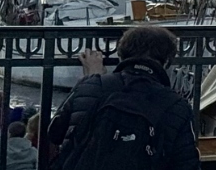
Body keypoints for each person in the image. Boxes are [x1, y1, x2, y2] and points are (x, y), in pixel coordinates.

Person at [47, 25, 199, 169]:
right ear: (166, 63)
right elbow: (187, 164)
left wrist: (91, 79)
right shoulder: (177, 106)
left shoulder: (92, 85)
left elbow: (55, 132)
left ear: (121, 57)